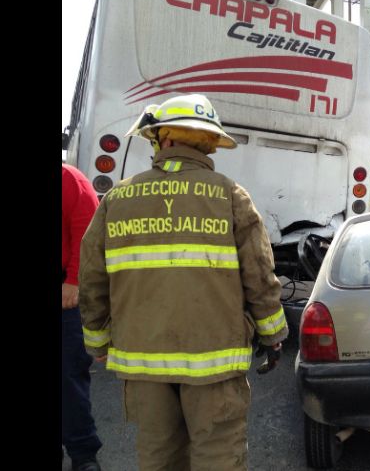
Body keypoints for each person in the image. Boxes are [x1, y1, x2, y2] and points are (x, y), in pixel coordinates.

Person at [78, 94, 288, 471]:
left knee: (158, 459)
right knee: (218, 459)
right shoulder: (230, 195)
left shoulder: (117, 199)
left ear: (165, 138)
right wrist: (273, 336)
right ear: (207, 142)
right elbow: (260, 276)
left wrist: (98, 341)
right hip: (215, 365)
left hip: (143, 362)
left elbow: (92, 277)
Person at [62, 163, 103, 471]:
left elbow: (88, 232)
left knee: (69, 375)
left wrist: (74, 280)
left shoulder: (70, 180)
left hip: (65, 293)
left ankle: (83, 454)